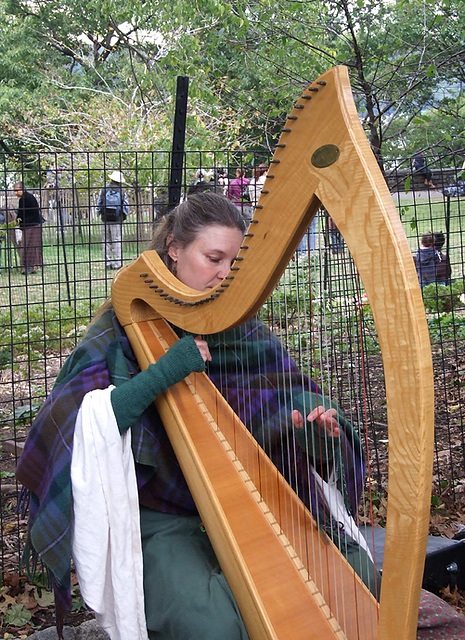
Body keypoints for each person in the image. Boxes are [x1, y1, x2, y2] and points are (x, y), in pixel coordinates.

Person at [96, 170, 129, 270]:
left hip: (105, 219)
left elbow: (99, 203)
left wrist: (99, 213)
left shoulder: (104, 189)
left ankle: (107, 263)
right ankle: (117, 263)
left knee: (106, 241)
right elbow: (126, 206)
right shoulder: (122, 192)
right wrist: (123, 216)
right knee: (117, 240)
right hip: (116, 219)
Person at [14, 182, 43, 275]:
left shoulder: (24, 199)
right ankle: (32, 267)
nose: (15, 193)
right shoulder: (29, 197)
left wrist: (17, 222)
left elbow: (21, 213)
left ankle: (25, 267)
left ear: (22, 189)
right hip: (35, 225)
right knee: (34, 246)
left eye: (17, 190)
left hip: (30, 226)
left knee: (26, 246)